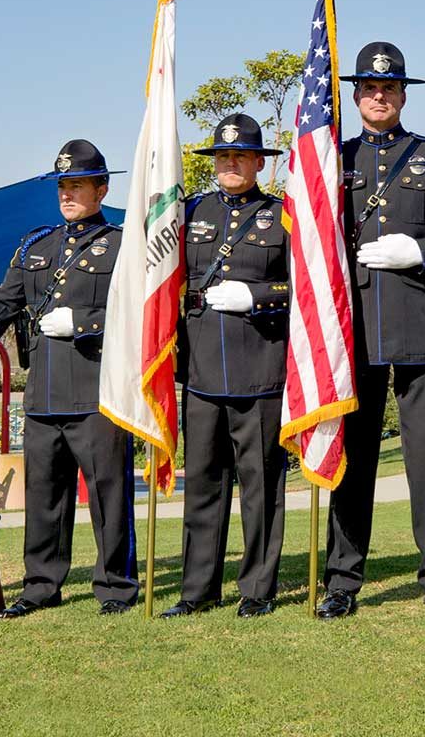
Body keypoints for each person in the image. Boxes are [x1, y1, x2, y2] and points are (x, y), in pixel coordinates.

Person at [318, 42, 425, 619]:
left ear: (402, 94)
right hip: (356, 333)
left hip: (421, 327)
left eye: (389, 88)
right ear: (355, 94)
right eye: (369, 89)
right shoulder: (333, 161)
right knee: (355, 459)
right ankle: (343, 578)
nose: (379, 97)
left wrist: (423, 250)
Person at [0, 140, 138, 618]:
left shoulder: (122, 244)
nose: (68, 194)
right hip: (44, 395)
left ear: (102, 189)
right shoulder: (37, 245)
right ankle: (40, 586)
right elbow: (2, 302)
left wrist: (86, 323)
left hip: (98, 393)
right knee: (44, 499)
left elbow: (139, 311)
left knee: (108, 495)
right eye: (63, 186)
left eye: (78, 185)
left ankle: (115, 585)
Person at [161, 114, 290, 619]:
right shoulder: (188, 213)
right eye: (222, 156)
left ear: (259, 162)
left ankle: (257, 588)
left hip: (259, 369)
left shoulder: (283, 217)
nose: (230, 164)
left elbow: (306, 289)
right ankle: (197, 591)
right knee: (203, 488)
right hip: (201, 373)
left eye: (240, 156)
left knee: (260, 488)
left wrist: (256, 296)